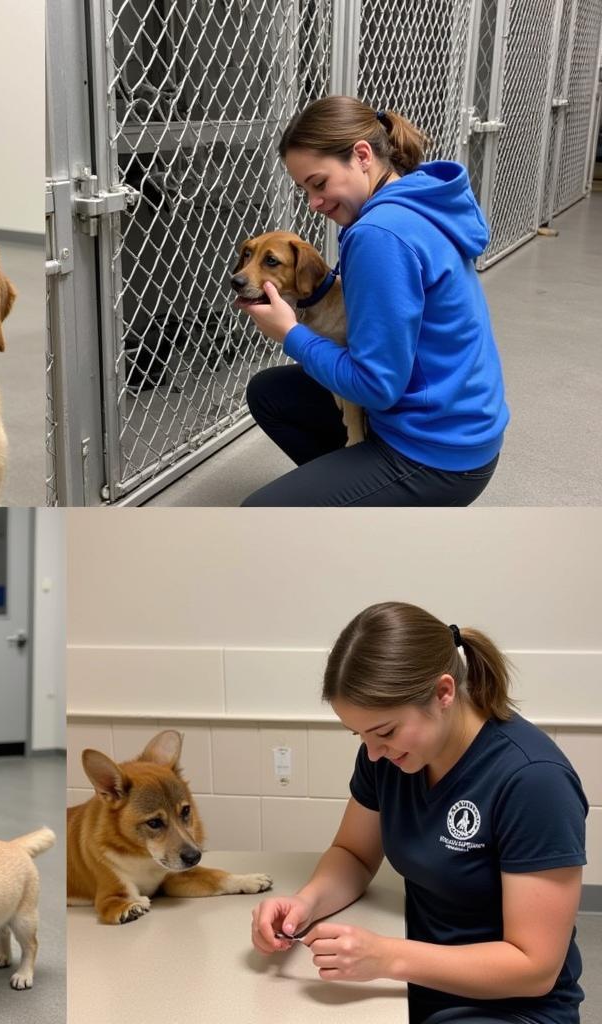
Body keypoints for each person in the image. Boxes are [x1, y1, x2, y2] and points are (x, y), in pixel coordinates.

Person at [251, 601, 586, 1023]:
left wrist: (386, 956)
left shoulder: (534, 781)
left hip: (512, 1008)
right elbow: (354, 854)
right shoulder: (390, 758)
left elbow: (534, 968)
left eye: (385, 732)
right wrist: (304, 904)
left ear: (444, 692)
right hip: (418, 983)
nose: (372, 753)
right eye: (360, 735)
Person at [240, 96, 508, 506]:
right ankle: (360, 499)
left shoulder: (380, 234)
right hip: (465, 421)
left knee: (259, 513)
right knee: (270, 392)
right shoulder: (422, 199)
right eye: (304, 190)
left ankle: (369, 509)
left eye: (319, 183)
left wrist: (289, 333)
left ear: (362, 155)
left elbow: (375, 387)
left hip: (436, 450)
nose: (314, 203)